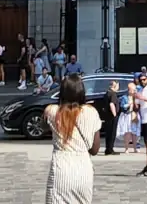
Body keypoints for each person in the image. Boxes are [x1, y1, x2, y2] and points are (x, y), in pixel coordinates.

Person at [43, 74, 100, 204]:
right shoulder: (91, 112)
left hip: (60, 169)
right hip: (83, 171)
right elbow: (94, 150)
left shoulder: (51, 111)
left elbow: (43, 127)